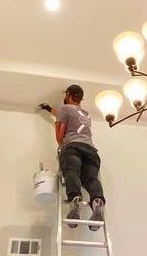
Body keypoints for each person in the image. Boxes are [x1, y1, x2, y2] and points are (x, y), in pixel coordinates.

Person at [39, 84, 105, 230]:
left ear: (68, 94)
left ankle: (75, 199)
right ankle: (97, 201)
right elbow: (67, 115)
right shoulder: (86, 114)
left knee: (71, 172)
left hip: (73, 148)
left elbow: (59, 135)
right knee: (90, 179)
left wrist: (61, 144)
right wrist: (49, 109)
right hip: (91, 151)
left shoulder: (64, 109)